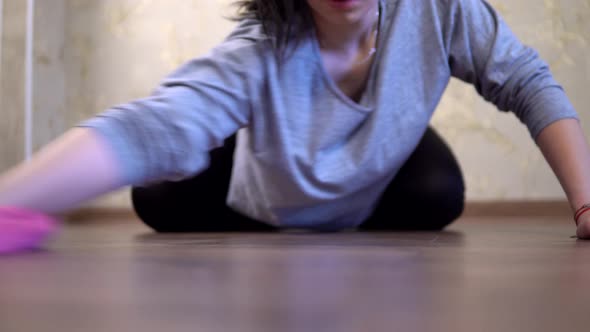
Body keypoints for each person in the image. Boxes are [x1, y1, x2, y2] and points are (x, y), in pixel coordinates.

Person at [1, 0, 589, 237]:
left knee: (439, 193)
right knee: (157, 194)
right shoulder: (260, 49)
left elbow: (527, 80)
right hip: (262, 188)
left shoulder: (439, 10)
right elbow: (154, 126)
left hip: (381, 173)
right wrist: (10, 199)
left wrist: (586, 204)